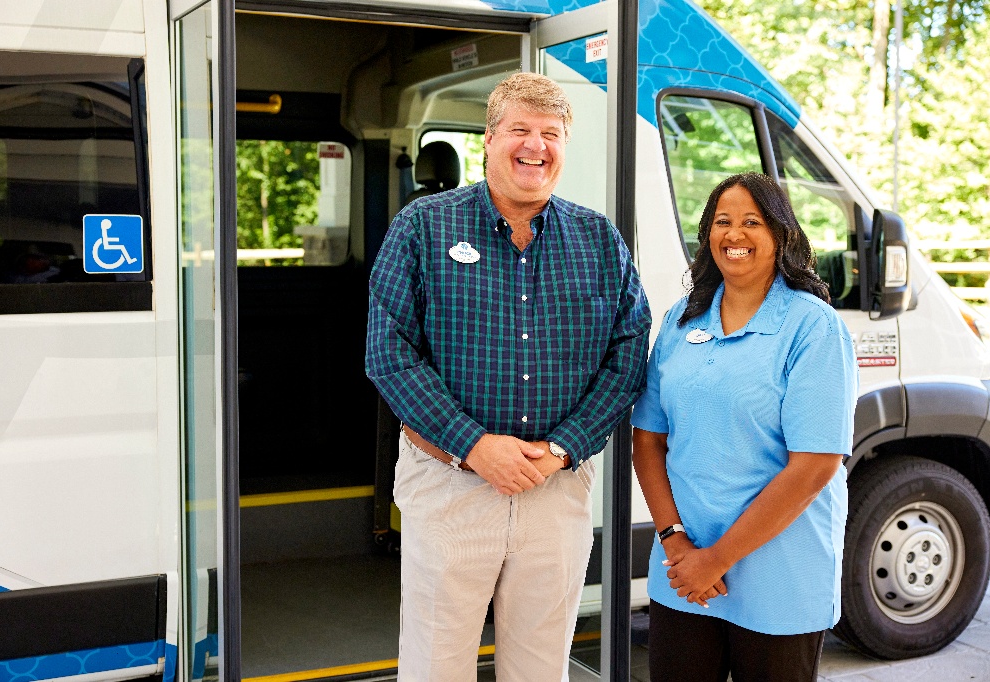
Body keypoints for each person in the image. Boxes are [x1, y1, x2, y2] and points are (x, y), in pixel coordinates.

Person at [365, 72, 652, 681]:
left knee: (541, 669)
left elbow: (628, 357)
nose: (535, 146)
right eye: (520, 129)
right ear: (490, 138)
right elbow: (388, 353)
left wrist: (562, 448)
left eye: (551, 134)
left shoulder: (598, 240)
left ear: (565, 146)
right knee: (436, 667)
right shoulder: (423, 227)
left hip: (556, 492)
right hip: (448, 488)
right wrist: (473, 445)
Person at [631, 172, 858, 681]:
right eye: (722, 222)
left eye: (752, 222)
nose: (734, 235)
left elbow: (815, 466)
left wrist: (717, 559)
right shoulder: (681, 321)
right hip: (684, 575)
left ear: (781, 236)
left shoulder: (813, 328)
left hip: (781, 577)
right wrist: (676, 543)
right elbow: (647, 438)